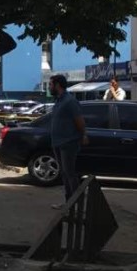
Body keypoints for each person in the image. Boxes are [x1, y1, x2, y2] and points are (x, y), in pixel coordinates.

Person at [48, 74, 88, 207]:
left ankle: (76, 203)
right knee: (64, 173)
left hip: (69, 142)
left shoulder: (69, 101)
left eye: (50, 84)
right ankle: (68, 202)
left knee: (69, 172)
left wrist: (84, 135)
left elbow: (79, 120)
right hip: (58, 142)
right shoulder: (58, 100)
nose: (49, 87)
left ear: (57, 85)